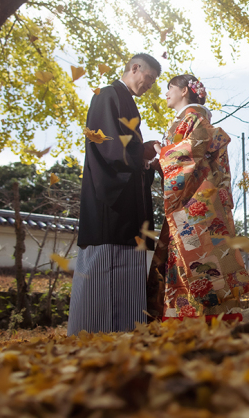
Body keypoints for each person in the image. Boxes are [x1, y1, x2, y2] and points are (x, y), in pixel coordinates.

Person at [68, 53, 161, 335]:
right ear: (135, 68)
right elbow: (105, 142)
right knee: (106, 268)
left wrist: (144, 160)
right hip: (110, 200)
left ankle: (126, 334)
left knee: (128, 269)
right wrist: (140, 151)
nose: (150, 85)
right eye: (150, 78)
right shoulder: (107, 95)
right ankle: (95, 336)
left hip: (126, 198)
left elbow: (125, 149)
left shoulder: (124, 101)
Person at [146, 75, 249, 320]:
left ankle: (194, 321)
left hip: (192, 203)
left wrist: (161, 155)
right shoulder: (194, 119)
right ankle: (211, 318)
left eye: (169, 88)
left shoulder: (193, 118)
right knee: (206, 258)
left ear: (184, 91)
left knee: (195, 260)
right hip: (202, 201)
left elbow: (184, 156)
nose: (166, 94)